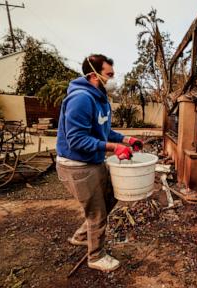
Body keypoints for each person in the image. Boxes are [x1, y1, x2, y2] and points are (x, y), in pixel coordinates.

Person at [56, 54, 143, 272]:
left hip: (92, 162)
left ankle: (82, 235)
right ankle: (96, 256)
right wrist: (114, 148)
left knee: (112, 195)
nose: (114, 79)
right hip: (77, 166)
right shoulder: (81, 99)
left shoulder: (99, 98)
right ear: (94, 76)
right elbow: (76, 140)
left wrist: (126, 139)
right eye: (110, 75)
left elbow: (102, 130)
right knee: (97, 212)